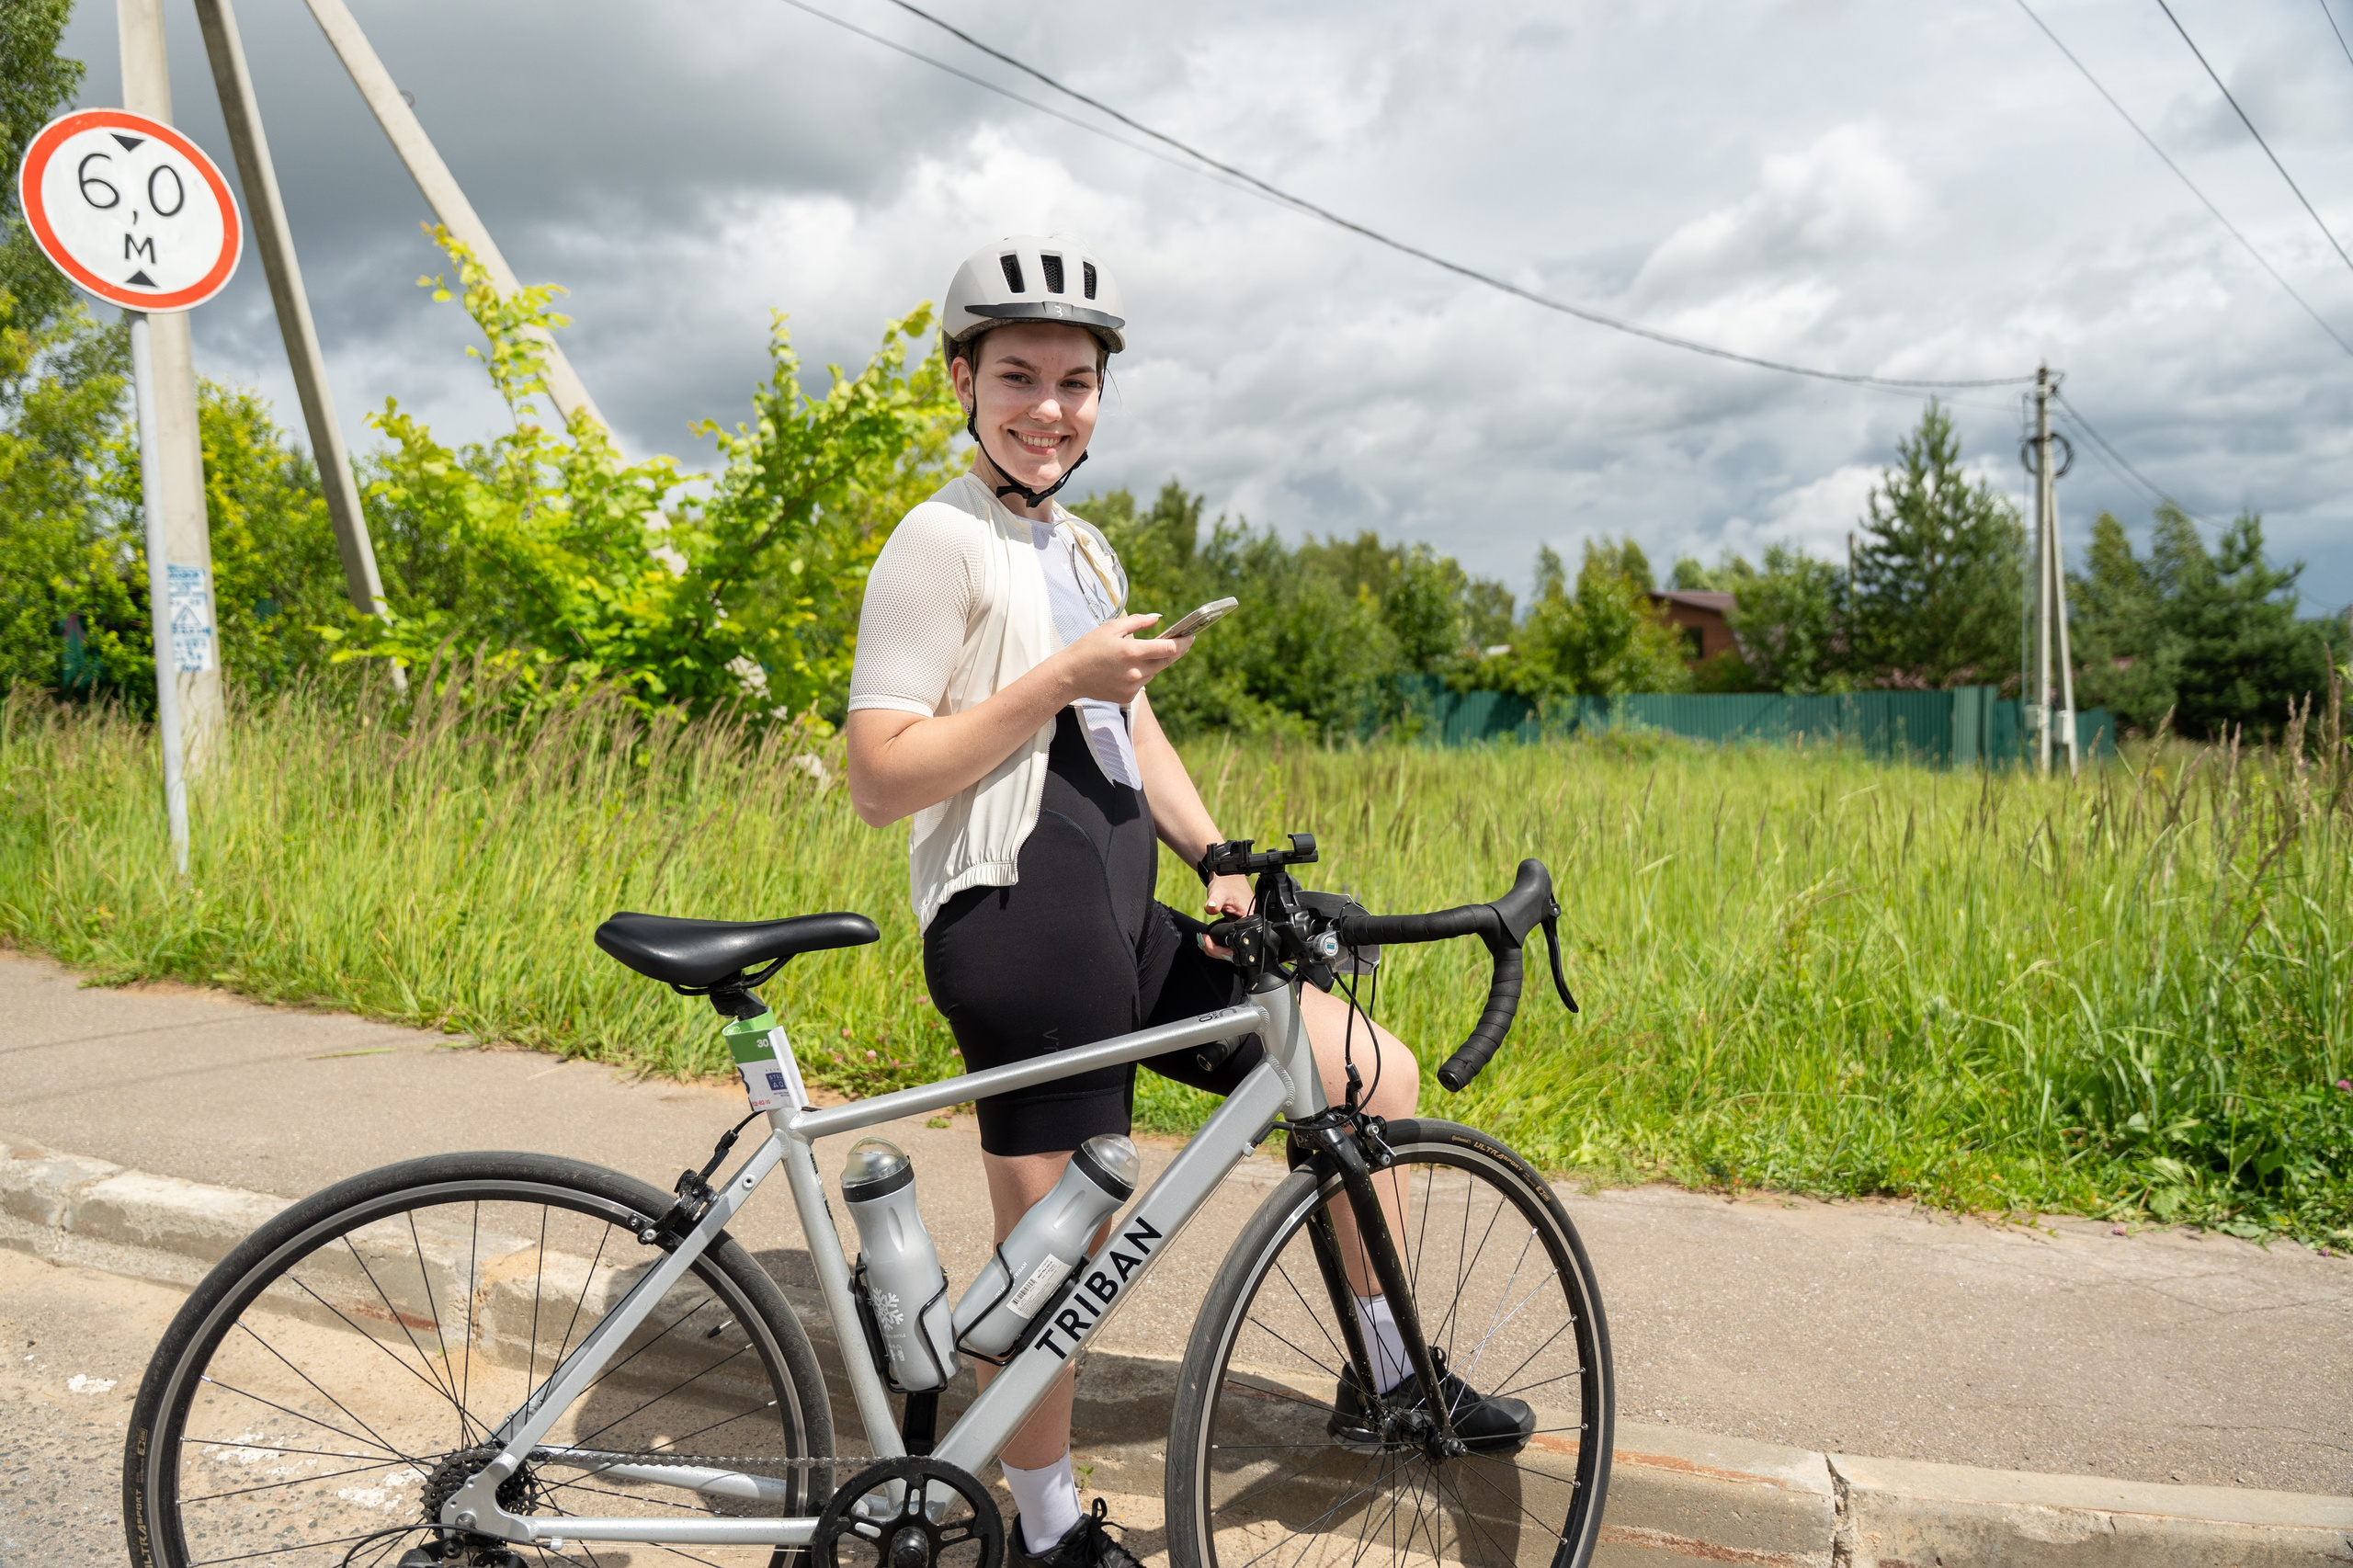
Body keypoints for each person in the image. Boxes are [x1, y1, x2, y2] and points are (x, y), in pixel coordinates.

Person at [845, 234, 1527, 1568]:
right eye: (1021, 376)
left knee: (1363, 1078)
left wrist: (1217, 854)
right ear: (962, 379)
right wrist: (1055, 680)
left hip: (1132, 920)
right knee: (1060, 1269)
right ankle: (1039, 1533)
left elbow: (1132, 735)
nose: (1051, 407)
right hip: (1018, 933)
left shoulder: (1084, 552)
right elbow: (879, 775)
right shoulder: (940, 544)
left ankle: (1385, 1372)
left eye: (1078, 381)